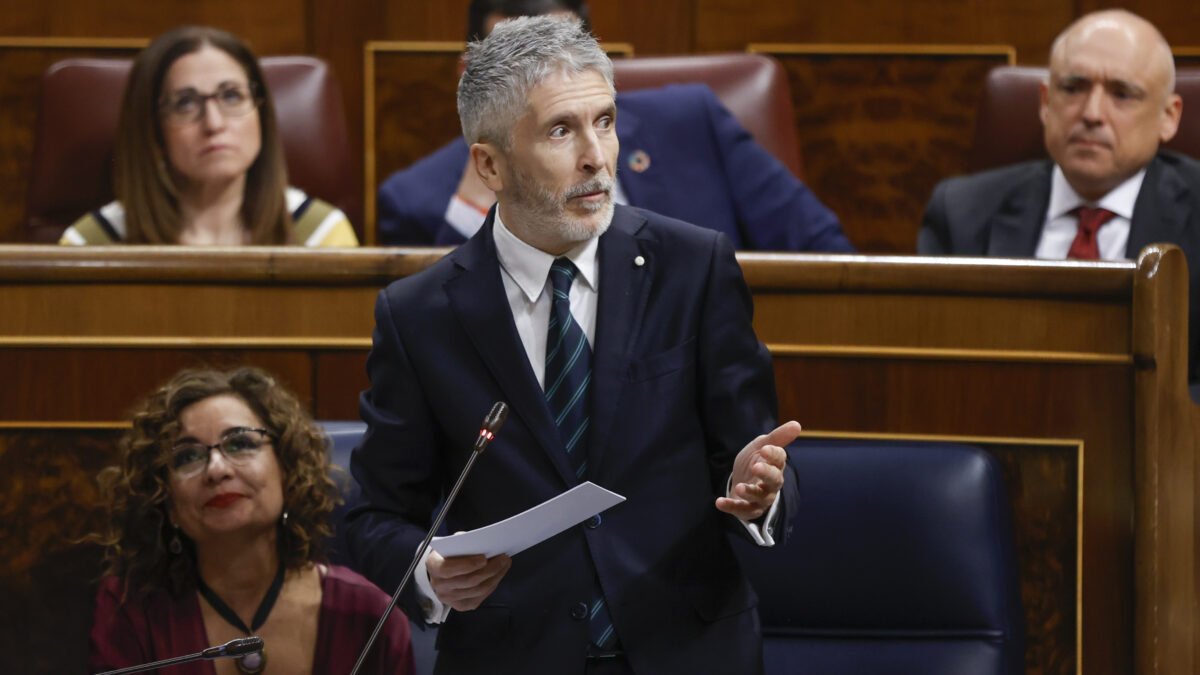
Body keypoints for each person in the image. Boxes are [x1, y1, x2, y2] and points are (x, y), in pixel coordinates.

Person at [347, 16, 803, 674]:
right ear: (490, 163)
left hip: (689, 650)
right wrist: (429, 572)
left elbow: (749, 456)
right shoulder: (420, 315)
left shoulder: (692, 267)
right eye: (562, 130)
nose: (598, 156)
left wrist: (759, 495)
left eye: (607, 121)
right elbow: (375, 514)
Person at [376, 0, 853, 253]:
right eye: (524, 64)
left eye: (566, 52)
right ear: (471, 76)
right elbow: (437, 346)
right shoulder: (414, 201)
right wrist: (471, 205)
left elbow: (825, 264)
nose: (595, 156)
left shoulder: (695, 121)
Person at [919, 9, 1200, 379]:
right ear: (1045, 102)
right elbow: (932, 368)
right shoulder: (961, 212)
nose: (1092, 113)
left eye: (1122, 94)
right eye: (1073, 88)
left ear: (1169, 117)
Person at [89, 367, 411, 674]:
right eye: (188, 456)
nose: (217, 469)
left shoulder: (370, 616)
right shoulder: (130, 612)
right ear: (166, 501)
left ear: (287, 470)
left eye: (240, 443)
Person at [60, 26, 358, 246]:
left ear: (260, 112)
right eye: (186, 103)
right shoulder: (91, 244)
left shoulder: (321, 235)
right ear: (152, 130)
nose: (214, 123)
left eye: (231, 96)